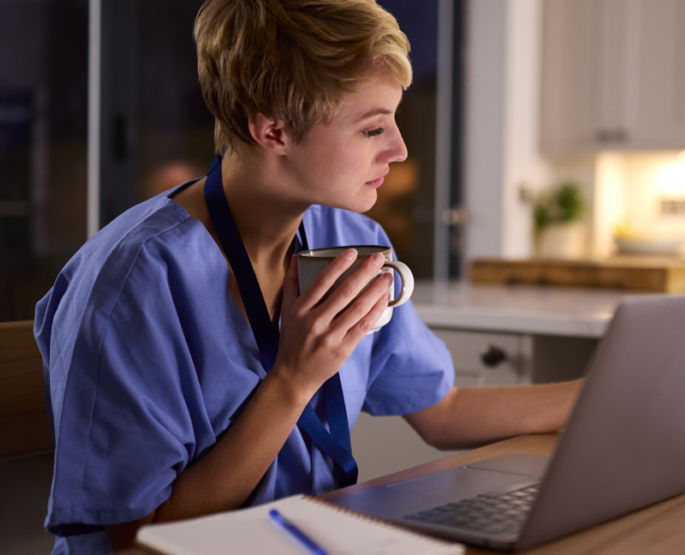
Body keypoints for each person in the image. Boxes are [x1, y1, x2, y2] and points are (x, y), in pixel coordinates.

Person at [34, 0, 582, 552]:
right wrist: (294, 378)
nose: (399, 149)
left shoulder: (351, 242)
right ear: (273, 131)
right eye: (372, 128)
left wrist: (602, 396)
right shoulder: (133, 284)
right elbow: (141, 538)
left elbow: (444, 411)